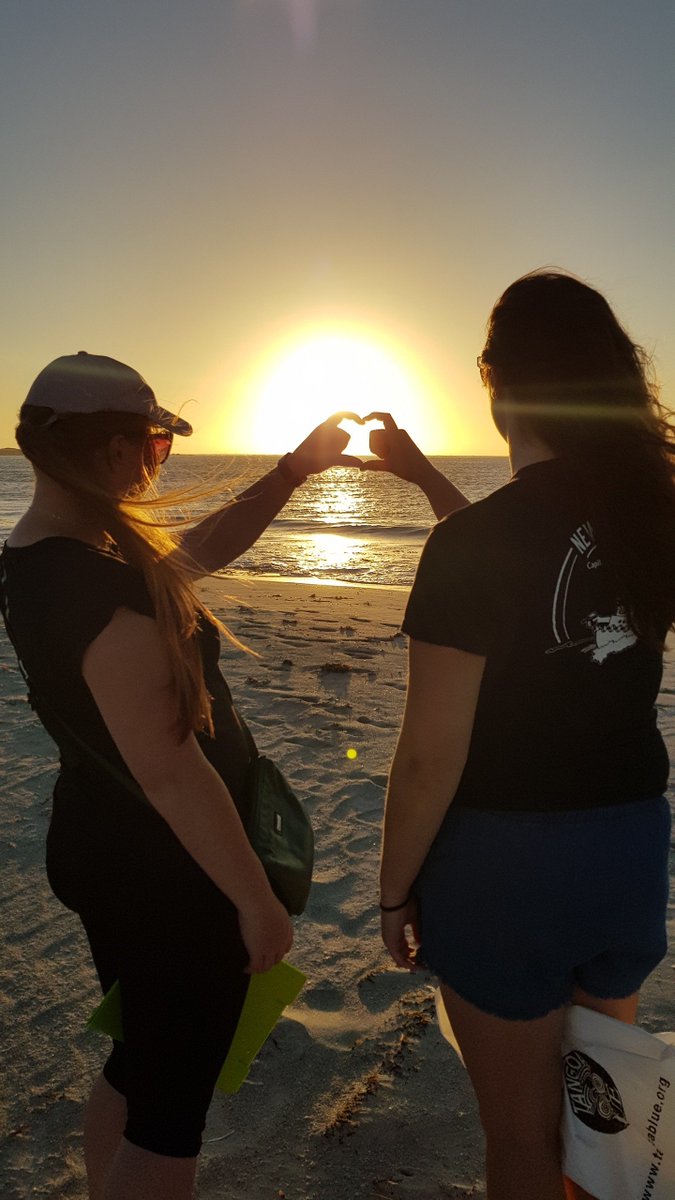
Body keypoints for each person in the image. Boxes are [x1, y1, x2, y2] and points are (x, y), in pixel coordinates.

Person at [0, 351, 363, 1200]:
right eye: (155, 447)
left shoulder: (45, 561)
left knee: (139, 1065)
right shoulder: (95, 590)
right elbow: (170, 770)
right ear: (119, 451)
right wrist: (256, 902)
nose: (154, 465)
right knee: (169, 1120)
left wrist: (289, 474)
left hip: (109, 849)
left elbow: (197, 553)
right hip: (166, 874)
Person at [373, 271, 675, 1200]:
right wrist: (424, 476)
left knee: (522, 1141)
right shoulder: (652, 512)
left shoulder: (473, 548)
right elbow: (536, 571)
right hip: (626, 847)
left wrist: (392, 893)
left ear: (497, 385)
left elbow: (428, 757)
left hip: (504, 866)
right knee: (597, 1124)